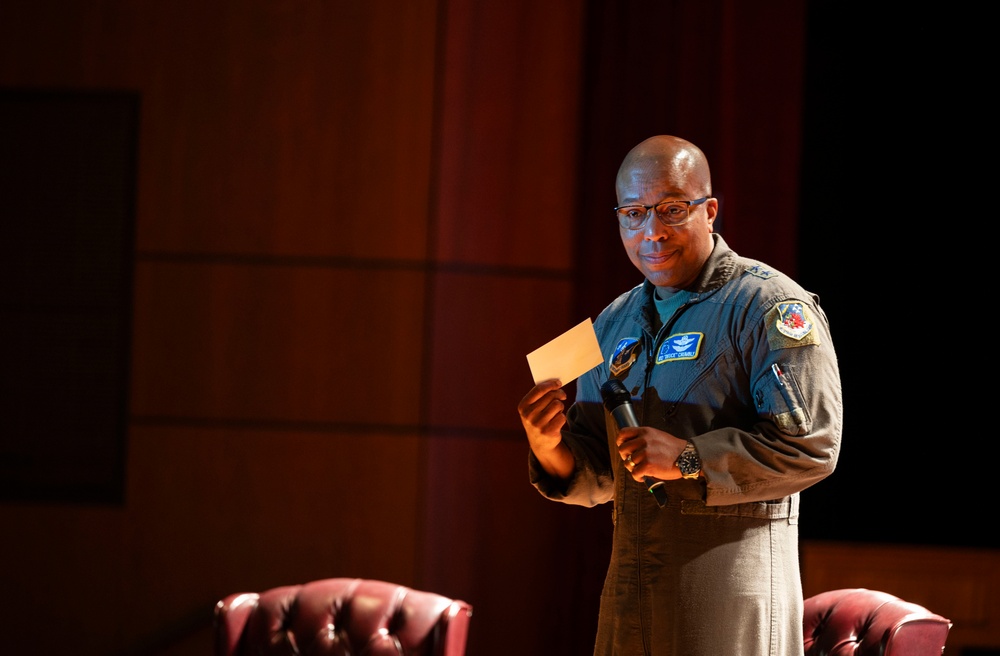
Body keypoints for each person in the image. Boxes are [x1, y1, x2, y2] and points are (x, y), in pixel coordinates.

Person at [517, 135, 843, 655]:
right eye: (634, 214)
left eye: (671, 210)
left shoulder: (770, 306)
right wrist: (546, 445)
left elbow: (812, 447)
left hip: (730, 597)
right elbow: (598, 474)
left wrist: (690, 459)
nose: (651, 232)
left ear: (709, 210)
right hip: (633, 594)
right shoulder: (614, 321)